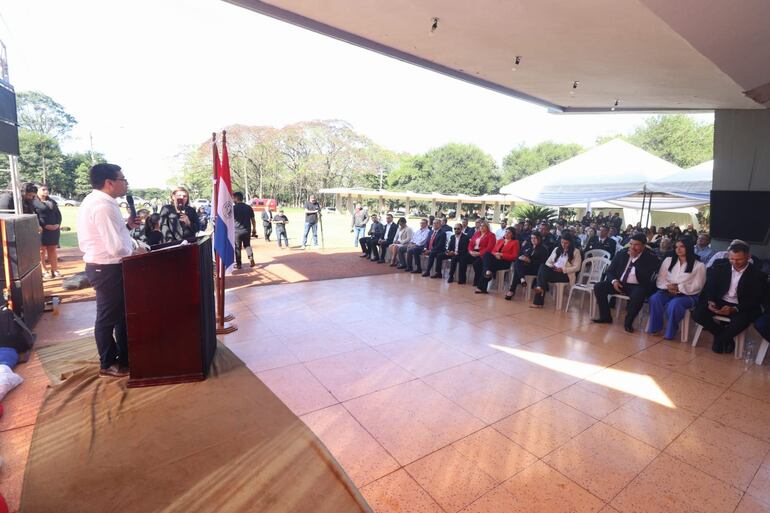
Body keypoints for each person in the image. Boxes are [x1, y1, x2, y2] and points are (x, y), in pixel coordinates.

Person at [77, 163, 146, 378]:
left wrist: (126, 228)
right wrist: (136, 252)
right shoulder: (103, 206)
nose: (126, 183)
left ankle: (124, 356)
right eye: (123, 179)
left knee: (119, 315)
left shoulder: (98, 201)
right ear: (110, 183)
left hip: (108, 266)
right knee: (108, 317)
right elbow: (115, 247)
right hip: (106, 269)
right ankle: (107, 363)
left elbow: (110, 236)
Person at [693, 242, 767, 354]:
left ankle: (720, 340)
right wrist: (711, 301)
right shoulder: (720, 268)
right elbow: (710, 288)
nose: (735, 262)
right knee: (698, 314)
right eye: (731, 259)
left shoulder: (757, 275)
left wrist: (734, 309)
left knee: (740, 322)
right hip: (720, 301)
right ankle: (724, 335)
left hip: (741, 306)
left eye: (739, 259)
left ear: (748, 257)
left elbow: (755, 300)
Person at [593, 233, 660, 332]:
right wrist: (614, 281)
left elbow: (646, 277)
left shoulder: (650, 257)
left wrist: (634, 259)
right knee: (599, 287)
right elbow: (610, 271)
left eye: (636, 245)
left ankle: (628, 322)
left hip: (637, 285)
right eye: (631, 244)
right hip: (619, 283)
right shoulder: (622, 253)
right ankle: (605, 316)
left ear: (644, 245)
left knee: (639, 294)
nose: (633, 247)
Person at [647, 239, 707, 339]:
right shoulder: (668, 261)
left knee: (674, 304)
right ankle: (655, 328)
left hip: (688, 295)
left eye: (682, 246)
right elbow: (661, 278)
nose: (678, 249)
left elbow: (698, 286)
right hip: (667, 291)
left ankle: (671, 331)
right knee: (655, 298)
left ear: (689, 248)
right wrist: (668, 286)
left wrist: (679, 288)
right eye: (676, 247)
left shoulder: (699, 266)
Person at [531, 234, 582, 308]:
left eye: (566, 243)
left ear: (570, 243)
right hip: (554, 271)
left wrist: (563, 269)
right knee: (543, 266)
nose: (563, 245)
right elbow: (548, 262)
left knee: (542, 274)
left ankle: (538, 299)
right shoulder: (557, 249)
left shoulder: (576, 251)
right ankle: (540, 290)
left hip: (565, 275)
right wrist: (554, 265)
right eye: (562, 242)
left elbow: (577, 267)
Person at [505, 232, 549, 300]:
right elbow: (519, 255)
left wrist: (530, 261)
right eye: (532, 238)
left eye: (535, 238)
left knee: (517, 269)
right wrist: (523, 257)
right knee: (518, 261)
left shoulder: (543, 249)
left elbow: (543, 263)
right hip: (525, 267)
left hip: (536, 269)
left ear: (539, 239)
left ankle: (512, 290)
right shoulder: (528, 246)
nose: (533, 240)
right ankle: (522, 279)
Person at [475, 227, 519, 293]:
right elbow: (493, 251)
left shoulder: (515, 242)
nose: (506, 233)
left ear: (512, 235)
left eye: (509, 232)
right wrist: (496, 254)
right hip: (496, 260)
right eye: (506, 231)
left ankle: (481, 286)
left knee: (486, 265)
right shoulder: (500, 241)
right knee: (487, 254)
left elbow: (514, 256)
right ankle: (488, 272)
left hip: (504, 262)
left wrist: (502, 255)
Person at [33, 185, 62, 279]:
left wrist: (57, 224)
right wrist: (44, 226)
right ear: (37, 191)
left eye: (47, 189)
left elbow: (58, 214)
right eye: (43, 189)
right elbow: (34, 216)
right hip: (41, 230)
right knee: (41, 251)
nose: (46, 191)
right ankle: (44, 271)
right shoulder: (33, 203)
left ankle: (55, 270)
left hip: (54, 230)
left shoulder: (52, 201)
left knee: (52, 249)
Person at [463, 221, 496, 287]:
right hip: (473, 251)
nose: (481, 227)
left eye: (483, 226)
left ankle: (477, 280)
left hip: (483, 253)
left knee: (477, 263)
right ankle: (462, 279)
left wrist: (479, 253)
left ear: (487, 227)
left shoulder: (491, 235)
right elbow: (470, 244)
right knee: (462, 259)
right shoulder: (477, 234)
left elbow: (490, 247)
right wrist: (471, 251)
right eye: (481, 226)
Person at [232, 192, 256, 269]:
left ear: (236, 198)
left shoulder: (233, 208)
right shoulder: (248, 207)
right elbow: (253, 220)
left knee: (237, 247)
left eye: (233, 198)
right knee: (247, 245)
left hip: (237, 231)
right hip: (247, 230)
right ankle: (251, 257)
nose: (233, 199)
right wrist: (254, 229)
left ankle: (239, 264)